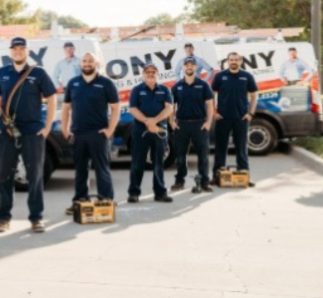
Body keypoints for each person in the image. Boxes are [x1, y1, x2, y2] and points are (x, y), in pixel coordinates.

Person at [0, 37, 57, 233]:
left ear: (27, 51)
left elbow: (52, 99)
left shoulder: (38, 73)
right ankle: (3, 218)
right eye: (14, 48)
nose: (18, 51)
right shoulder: (2, 73)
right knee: (5, 175)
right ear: (11, 51)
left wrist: (47, 127)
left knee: (35, 175)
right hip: (6, 132)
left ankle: (36, 218)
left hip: (32, 131)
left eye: (21, 48)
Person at [61, 53, 120, 214]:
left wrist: (109, 130)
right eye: (85, 61)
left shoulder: (106, 83)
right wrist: (64, 129)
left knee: (102, 168)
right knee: (80, 170)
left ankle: (105, 200)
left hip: (98, 134)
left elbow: (116, 108)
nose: (87, 64)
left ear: (97, 63)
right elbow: (66, 108)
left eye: (90, 61)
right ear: (80, 64)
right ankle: (80, 200)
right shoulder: (73, 83)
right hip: (78, 134)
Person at [126, 62, 174, 203]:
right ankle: (134, 193)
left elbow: (169, 108)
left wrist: (155, 121)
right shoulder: (136, 90)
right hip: (141, 131)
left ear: (157, 74)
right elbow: (133, 109)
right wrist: (148, 122)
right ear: (143, 75)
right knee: (137, 162)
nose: (150, 73)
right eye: (147, 72)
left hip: (159, 130)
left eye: (153, 71)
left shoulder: (165, 90)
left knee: (159, 162)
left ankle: (160, 192)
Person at [212, 52, 259, 186]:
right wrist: (214, 112)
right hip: (223, 118)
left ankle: (244, 175)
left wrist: (250, 113)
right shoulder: (220, 76)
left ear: (240, 61)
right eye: (231, 60)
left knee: (241, 148)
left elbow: (254, 95)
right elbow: (211, 96)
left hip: (241, 118)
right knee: (220, 148)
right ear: (227, 61)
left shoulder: (247, 76)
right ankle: (216, 176)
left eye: (236, 60)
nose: (233, 62)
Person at [170, 56, 215, 192]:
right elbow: (171, 106)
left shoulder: (203, 85)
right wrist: (171, 122)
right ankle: (179, 181)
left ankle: (204, 182)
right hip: (181, 125)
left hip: (199, 124)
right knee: (180, 155)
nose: (189, 67)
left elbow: (210, 105)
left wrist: (208, 122)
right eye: (187, 65)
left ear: (196, 68)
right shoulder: (177, 86)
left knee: (203, 154)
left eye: (192, 65)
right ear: (183, 67)